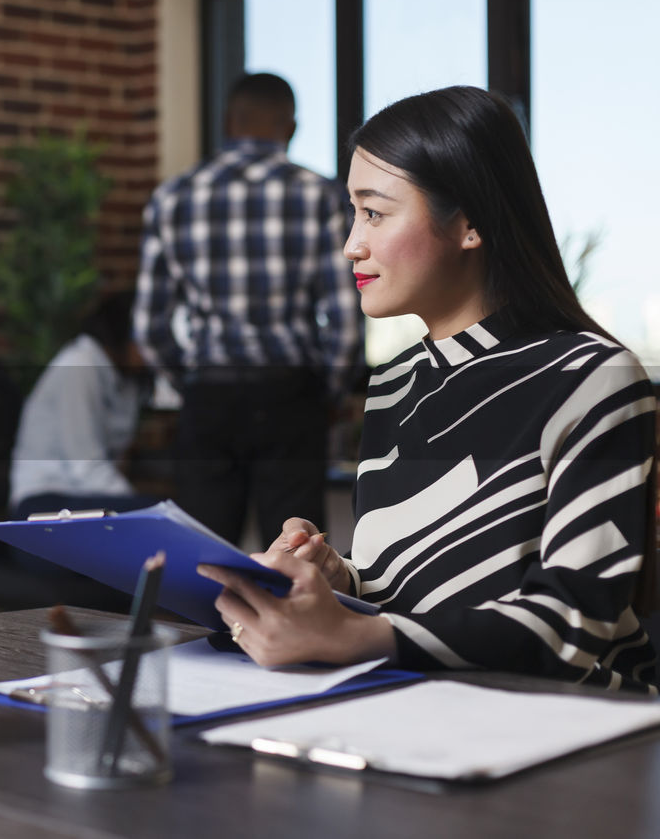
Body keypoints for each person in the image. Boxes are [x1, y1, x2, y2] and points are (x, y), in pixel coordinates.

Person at [198, 86, 658, 692]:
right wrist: (341, 582)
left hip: (576, 734)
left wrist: (349, 635)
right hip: (416, 704)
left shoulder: (593, 377)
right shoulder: (394, 384)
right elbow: (412, 591)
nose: (350, 244)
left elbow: (574, 623)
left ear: (469, 224)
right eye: (353, 212)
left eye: (375, 212)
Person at [133, 72, 364, 550]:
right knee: (298, 558)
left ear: (226, 122)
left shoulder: (173, 197)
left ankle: (210, 629)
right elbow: (344, 317)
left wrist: (191, 379)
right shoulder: (319, 195)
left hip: (209, 397)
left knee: (202, 556)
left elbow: (149, 326)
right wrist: (330, 388)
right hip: (289, 395)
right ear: (292, 127)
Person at [9, 291, 156, 519]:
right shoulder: (79, 366)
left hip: (86, 499)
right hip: (44, 502)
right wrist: (139, 510)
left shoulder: (129, 380)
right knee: (152, 514)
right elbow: (86, 468)